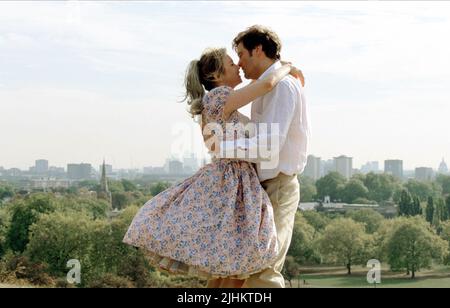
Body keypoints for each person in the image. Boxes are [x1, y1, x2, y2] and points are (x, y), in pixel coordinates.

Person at [123, 47, 304, 288]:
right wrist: (287, 68)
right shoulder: (220, 97)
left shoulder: (217, 102)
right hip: (234, 178)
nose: (237, 65)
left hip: (234, 177)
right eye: (231, 63)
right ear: (216, 76)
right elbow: (268, 84)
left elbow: (224, 139)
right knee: (254, 251)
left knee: (230, 256)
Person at [215, 25, 310, 288]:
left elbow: (268, 145)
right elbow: (256, 133)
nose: (240, 63)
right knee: (243, 268)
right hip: (261, 189)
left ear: (258, 50)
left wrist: (221, 150)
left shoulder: (282, 87)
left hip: (278, 188)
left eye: (242, 55)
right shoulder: (265, 87)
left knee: (264, 270)